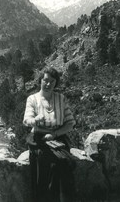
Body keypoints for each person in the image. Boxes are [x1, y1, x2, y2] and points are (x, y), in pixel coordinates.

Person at [23, 67, 76, 202]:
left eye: (52, 82)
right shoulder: (32, 99)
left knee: (65, 163)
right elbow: (26, 120)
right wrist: (35, 120)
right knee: (43, 162)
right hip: (38, 139)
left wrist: (55, 134)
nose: (48, 84)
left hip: (58, 138)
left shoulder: (61, 99)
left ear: (55, 83)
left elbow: (70, 123)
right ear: (40, 81)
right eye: (45, 80)